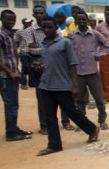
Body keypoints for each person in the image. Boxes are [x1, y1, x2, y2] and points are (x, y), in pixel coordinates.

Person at [35, 16, 99, 156]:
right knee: (49, 116)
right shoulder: (43, 44)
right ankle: (54, 145)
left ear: (56, 27)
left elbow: (73, 64)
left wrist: (75, 85)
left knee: (72, 113)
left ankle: (92, 129)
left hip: (62, 85)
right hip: (45, 85)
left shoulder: (65, 43)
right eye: (44, 28)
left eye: (50, 27)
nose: (47, 30)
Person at [25, 6, 72, 133]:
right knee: (43, 98)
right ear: (33, 14)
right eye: (36, 13)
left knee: (63, 95)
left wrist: (41, 48)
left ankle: (65, 121)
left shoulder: (53, 27)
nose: (39, 15)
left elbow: (59, 44)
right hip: (39, 69)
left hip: (57, 66)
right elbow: (29, 49)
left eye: (41, 12)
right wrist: (48, 49)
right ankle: (44, 125)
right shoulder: (29, 31)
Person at [0, 10, 32, 141]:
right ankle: (11, 133)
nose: (11, 22)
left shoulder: (11, 35)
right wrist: (9, 71)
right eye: (8, 20)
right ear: (1, 19)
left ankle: (13, 128)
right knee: (10, 104)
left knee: (14, 104)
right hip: (5, 76)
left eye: (13, 20)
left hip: (12, 75)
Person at [69, 12, 109, 130]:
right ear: (76, 21)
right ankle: (83, 122)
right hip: (78, 74)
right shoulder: (72, 35)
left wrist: (100, 54)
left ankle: (102, 120)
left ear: (87, 20)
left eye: (84, 19)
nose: (82, 22)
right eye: (79, 19)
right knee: (80, 101)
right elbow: (67, 52)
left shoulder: (95, 34)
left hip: (92, 72)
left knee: (99, 98)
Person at [14, 17, 34, 89]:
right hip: (24, 52)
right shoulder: (19, 32)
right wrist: (15, 52)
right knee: (24, 68)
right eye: (28, 22)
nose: (30, 24)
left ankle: (32, 83)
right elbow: (16, 42)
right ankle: (23, 84)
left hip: (33, 52)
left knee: (32, 67)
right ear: (23, 23)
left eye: (31, 22)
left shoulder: (33, 31)